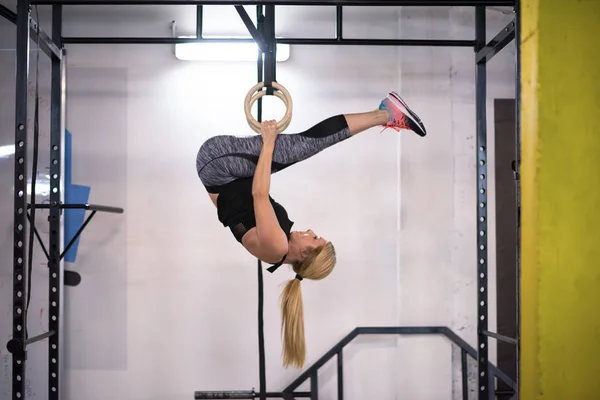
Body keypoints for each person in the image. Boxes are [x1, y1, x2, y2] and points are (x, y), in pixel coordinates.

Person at [196, 91, 426, 368]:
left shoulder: (276, 247)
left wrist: (268, 143)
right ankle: (383, 114)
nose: (311, 231)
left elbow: (259, 193)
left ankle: (386, 113)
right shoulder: (277, 248)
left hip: (218, 165)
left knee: (303, 146)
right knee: (301, 148)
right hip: (225, 173)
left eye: (314, 238)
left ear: (305, 252)